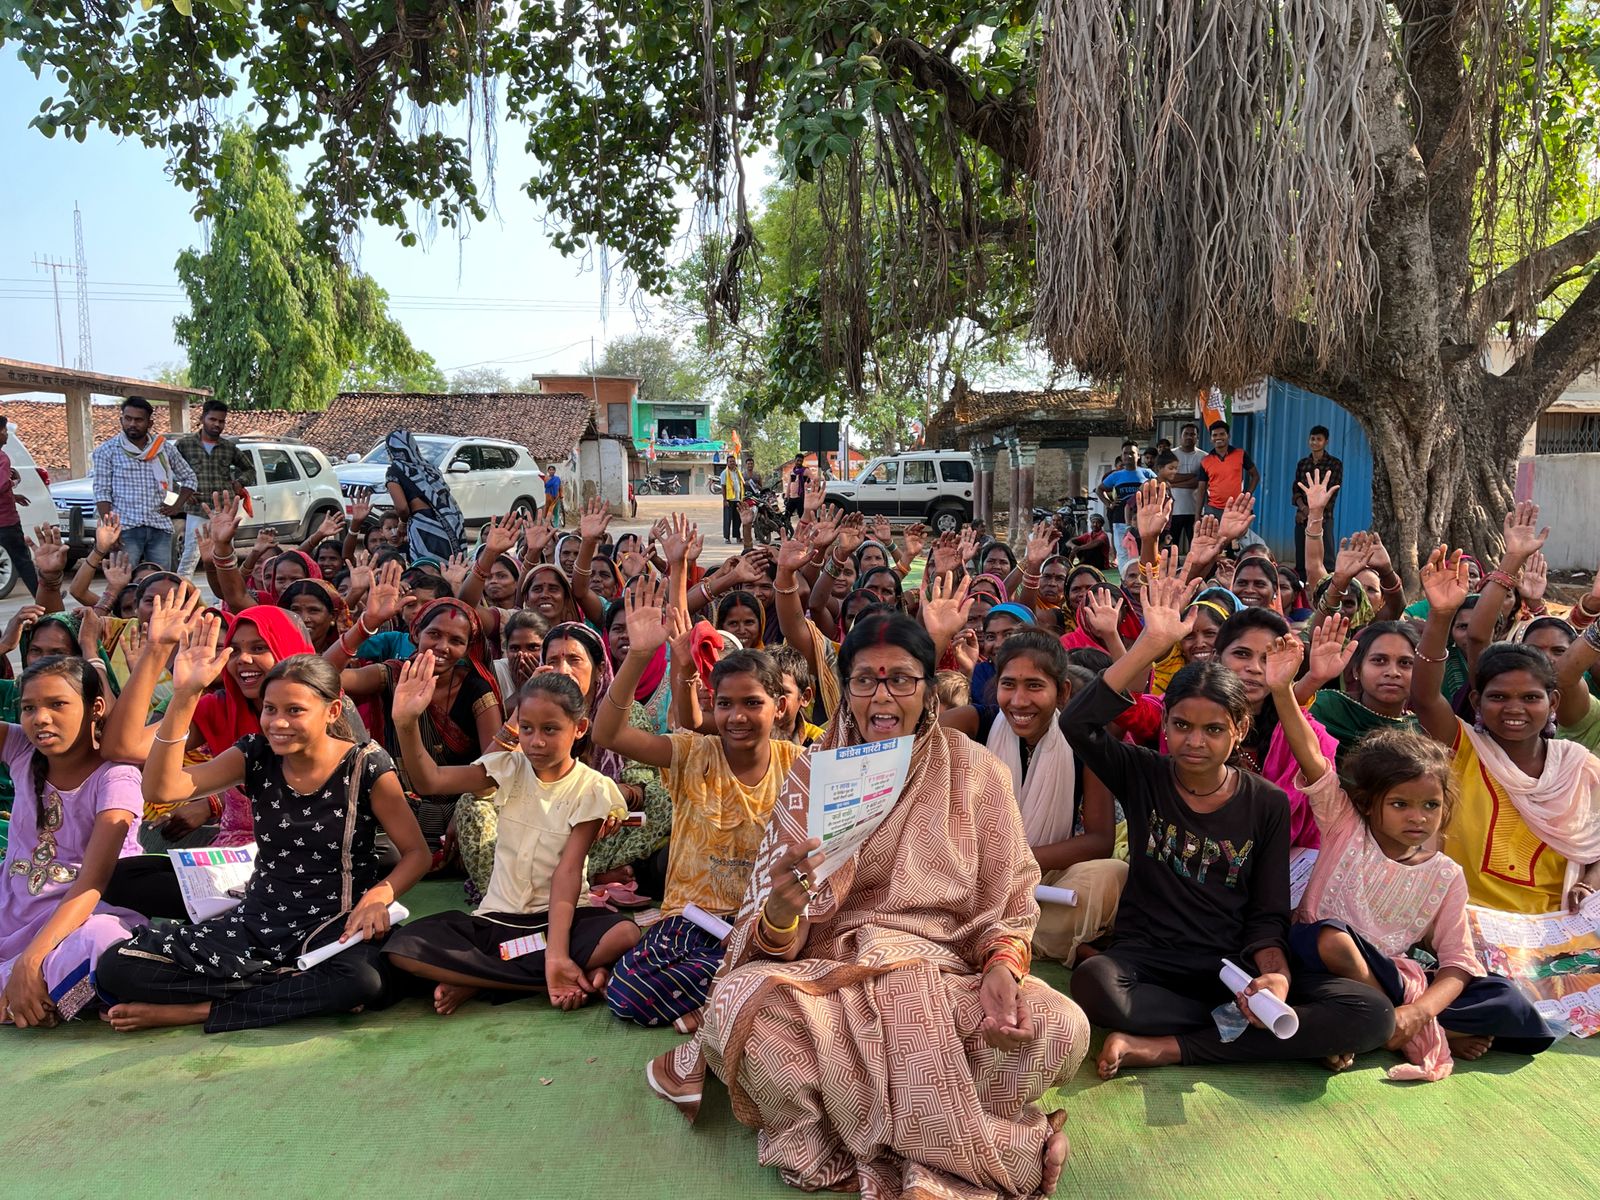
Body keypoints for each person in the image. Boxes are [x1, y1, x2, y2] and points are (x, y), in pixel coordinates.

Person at [646, 608, 1089, 1198]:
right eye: (864, 680)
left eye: (900, 679)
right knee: (741, 1012)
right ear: (846, 690)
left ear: (927, 689)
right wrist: (782, 911)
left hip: (948, 976)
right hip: (831, 981)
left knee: (1061, 1027)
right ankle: (1007, 1150)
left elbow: (1010, 900)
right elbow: (763, 936)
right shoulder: (813, 773)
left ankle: (879, 1136)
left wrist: (1001, 972)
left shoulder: (977, 772)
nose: (882, 696)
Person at [1061, 565, 1395, 1076]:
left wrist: (1276, 978)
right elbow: (1076, 722)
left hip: (1230, 966)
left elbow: (1267, 913)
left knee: (1371, 1013)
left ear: (1238, 729)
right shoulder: (1144, 775)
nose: (1195, 742)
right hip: (1147, 959)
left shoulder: (1266, 803)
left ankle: (1171, 1047)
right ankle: (1258, 1033)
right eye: (1182, 726)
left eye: (1213, 729)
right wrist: (1149, 644)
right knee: (1095, 984)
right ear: (1165, 724)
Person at [97, 634, 430, 1033]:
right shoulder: (255, 753)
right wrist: (185, 696)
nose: (278, 723)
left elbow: (417, 853)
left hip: (336, 926)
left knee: (361, 980)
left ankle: (200, 1010)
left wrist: (378, 896)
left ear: (331, 711)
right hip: (258, 922)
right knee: (117, 966)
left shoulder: (366, 765)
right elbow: (161, 790)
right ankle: (287, 986)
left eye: (295, 710)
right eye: (270, 709)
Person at [592, 577, 804, 1031]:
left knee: (811, 950)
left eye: (752, 703)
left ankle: (725, 996)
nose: (737, 716)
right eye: (725, 704)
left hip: (763, 921)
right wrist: (639, 655)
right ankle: (748, 988)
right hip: (693, 921)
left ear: (779, 708)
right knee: (628, 991)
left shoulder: (799, 763)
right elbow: (607, 734)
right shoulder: (691, 752)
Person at [382, 662, 641, 1012]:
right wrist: (406, 723)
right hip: (497, 923)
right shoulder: (508, 768)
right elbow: (431, 781)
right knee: (403, 947)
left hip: (557, 924)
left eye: (550, 729)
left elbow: (567, 872)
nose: (536, 741)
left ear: (579, 728)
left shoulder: (592, 787)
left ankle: (481, 978)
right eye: (527, 728)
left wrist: (557, 952)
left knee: (624, 934)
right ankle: (548, 977)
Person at [1291, 728, 1554, 1072]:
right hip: (1316, 967)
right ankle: (1398, 1028)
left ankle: (1389, 1027)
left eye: (1431, 805)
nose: (1418, 817)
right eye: (1400, 804)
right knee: (1333, 939)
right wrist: (1285, 697)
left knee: (1506, 999)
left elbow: (1458, 962)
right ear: (1368, 803)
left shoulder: (1446, 874)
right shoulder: (1345, 827)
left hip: (1390, 980)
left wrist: (1419, 1011)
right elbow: (1312, 759)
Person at [1410, 546, 1600, 916]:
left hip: (1558, 923)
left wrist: (1588, 884)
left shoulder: (1579, 767)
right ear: (1477, 701)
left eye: (1530, 697)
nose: (1514, 708)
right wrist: (1441, 616)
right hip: (1466, 920)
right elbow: (1424, 697)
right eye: (1498, 697)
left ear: (1553, 703)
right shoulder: (1464, 749)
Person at [941, 631, 1125, 964]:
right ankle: (1048, 942)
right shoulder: (975, 723)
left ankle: (993, 936)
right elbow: (909, 746)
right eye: (1009, 684)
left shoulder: (1084, 743)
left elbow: (1100, 841)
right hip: (970, 875)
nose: (1019, 700)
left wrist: (1015, 862)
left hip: (1044, 879)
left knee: (1111, 874)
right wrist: (936, 639)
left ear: (1062, 691)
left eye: (1034, 686)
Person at [0, 657, 145, 1027]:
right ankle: (28, 991)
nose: (40, 718)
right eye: (29, 708)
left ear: (96, 708)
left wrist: (31, 960)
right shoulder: (21, 750)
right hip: (9, 919)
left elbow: (92, 883)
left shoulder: (117, 778)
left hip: (76, 923)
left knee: (104, 940)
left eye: (57, 704)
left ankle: (30, 988)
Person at [91, 396, 197, 571]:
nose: (132, 424)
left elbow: (189, 478)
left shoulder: (163, 448)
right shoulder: (107, 451)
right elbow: (102, 492)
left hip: (159, 526)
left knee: (160, 580)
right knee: (122, 581)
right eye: (128, 419)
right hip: (125, 528)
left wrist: (177, 505)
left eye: (138, 420)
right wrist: (110, 529)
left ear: (150, 423)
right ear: (121, 420)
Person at [172, 399, 255, 578]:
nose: (217, 424)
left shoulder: (229, 447)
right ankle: (181, 591)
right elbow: (167, 472)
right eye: (212, 419)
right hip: (197, 509)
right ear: (202, 418)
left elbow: (250, 469)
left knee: (225, 557)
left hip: (223, 512)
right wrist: (182, 490)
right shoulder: (184, 445)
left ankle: (226, 594)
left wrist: (240, 482)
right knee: (190, 557)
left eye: (221, 421)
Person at [385, 429, 466, 560]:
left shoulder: (394, 470)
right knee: (450, 564)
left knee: (427, 566)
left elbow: (402, 508)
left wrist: (403, 523)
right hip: (449, 521)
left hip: (423, 524)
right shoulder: (429, 468)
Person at [1292, 425, 1342, 581]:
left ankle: (1328, 589)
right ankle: (1301, 588)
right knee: (1301, 559)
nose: (1314, 442)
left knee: (1327, 559)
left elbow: (1331, 493)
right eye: (1312, 439)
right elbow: (1296, 489)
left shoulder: (1334, 464)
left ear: (1326, 442)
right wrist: (1303, 509)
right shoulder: (1303, 463)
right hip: (1302, 517)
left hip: (1324, 517)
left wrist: (1313, 512)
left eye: (1319, 439)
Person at [0, 415, 38, 597]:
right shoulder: (2, 459)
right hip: (6, 522)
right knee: (23, 560)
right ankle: (44, 597)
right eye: (4, 430)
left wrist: (13, 496)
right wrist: (14, 482)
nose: (6, 434)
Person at [1197, 420, 1259, 520]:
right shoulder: (1205, 461)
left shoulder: (1240, 454)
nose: (1218, 437)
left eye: (1222, 434)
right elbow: (1201, 489)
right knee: (1213, 530)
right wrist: (1197, 515)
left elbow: (1255, 476)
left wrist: (1247, 495)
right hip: (1213, 509)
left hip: (1236, 507)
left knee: (1238, 531)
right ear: (1211, 439)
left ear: (1228, 436)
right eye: (1215, 435)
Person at [1097, 443, 1154, 551]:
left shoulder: (1147, 473)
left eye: (1132, 453)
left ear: (1138, 456)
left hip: (1143, 520)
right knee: (1123, 553)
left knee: (1143, 552)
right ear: (1122, 456)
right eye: (1125, 453)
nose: (1129, 456)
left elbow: (1161, 487)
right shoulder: (1115, 475)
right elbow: (1099, 490)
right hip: (1120, 520)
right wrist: (1109, 504)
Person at [1168, 423, 1207, 550]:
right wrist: (1192, 476)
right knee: (1170, 548)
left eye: (1192, 434)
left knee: (1195, 548)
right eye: (1186, 434)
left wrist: (1175, 483)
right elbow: (1169, 477)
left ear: (1197, 437)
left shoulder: (1204, 457)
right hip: (1173, 511)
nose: (1189, 437)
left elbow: (1200, 482)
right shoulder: (1171, 454)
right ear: (1181, 436)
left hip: (1195, 511)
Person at [720, 454, 746, 545]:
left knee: (738, 520)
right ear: (727, 463)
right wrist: (725, 500)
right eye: (730, 461)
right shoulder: (724, 473)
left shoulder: (738, 472)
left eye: (733, 461)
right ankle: (727, 538)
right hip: (729, 500)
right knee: (727, 520)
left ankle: (738, 537)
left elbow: (741, 484)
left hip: (738, 499)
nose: (732, 463)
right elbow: (723, 487)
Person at [782, 453, 807, 535]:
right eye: (798, 460)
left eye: (801, 461)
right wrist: (786, 496)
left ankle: (803, 534)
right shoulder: (792, 472)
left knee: (802, 517)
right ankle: (785, 533)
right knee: (786, 516)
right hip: (792, 498)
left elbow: (812, 480)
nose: (799, 462)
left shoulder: (805, 471)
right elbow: (789, 485)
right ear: (795, 460)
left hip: (800, 498)